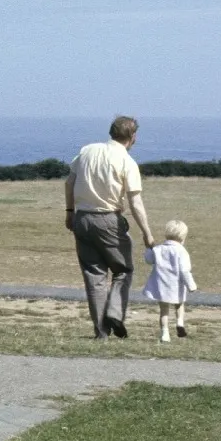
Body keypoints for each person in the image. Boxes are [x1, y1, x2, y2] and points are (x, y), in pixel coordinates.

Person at [63, 116, 155, 339]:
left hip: (83, 218)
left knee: (94, 275)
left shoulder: (87, 151)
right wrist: (147, 233)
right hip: (109, 219)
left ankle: (100, 332)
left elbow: (69, 182)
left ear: (111, 132)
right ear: (133, 137)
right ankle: (115, 312)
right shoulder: (127, 161)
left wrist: (70, 212)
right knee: (123, 269)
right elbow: (135, 202)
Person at [142, 220, 197, 342]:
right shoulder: (182, 252)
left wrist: (148, 248)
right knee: (179, 305)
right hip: (177, 285)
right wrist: (191, 285)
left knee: (164, 311)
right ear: (183, 237)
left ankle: (165, 334)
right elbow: (184, 271)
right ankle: (180, 323)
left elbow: (149, 260)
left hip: (162, 285)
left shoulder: (159, 249)